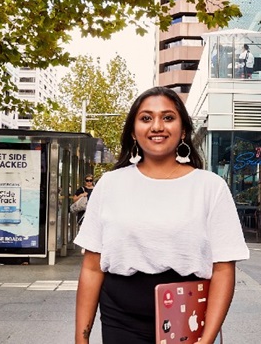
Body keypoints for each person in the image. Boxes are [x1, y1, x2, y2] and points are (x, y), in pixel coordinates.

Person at [74, 86, 249, 344]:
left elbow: (223, 268)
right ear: (133, 131)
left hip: (187, 317)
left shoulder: (210, 187)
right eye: (146, 118)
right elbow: (91, 268)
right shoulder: (110, 184)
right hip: (120, 321)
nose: (157, 126)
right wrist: (81, 339)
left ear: (184, 130)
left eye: (168, 117)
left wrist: (207, 338)